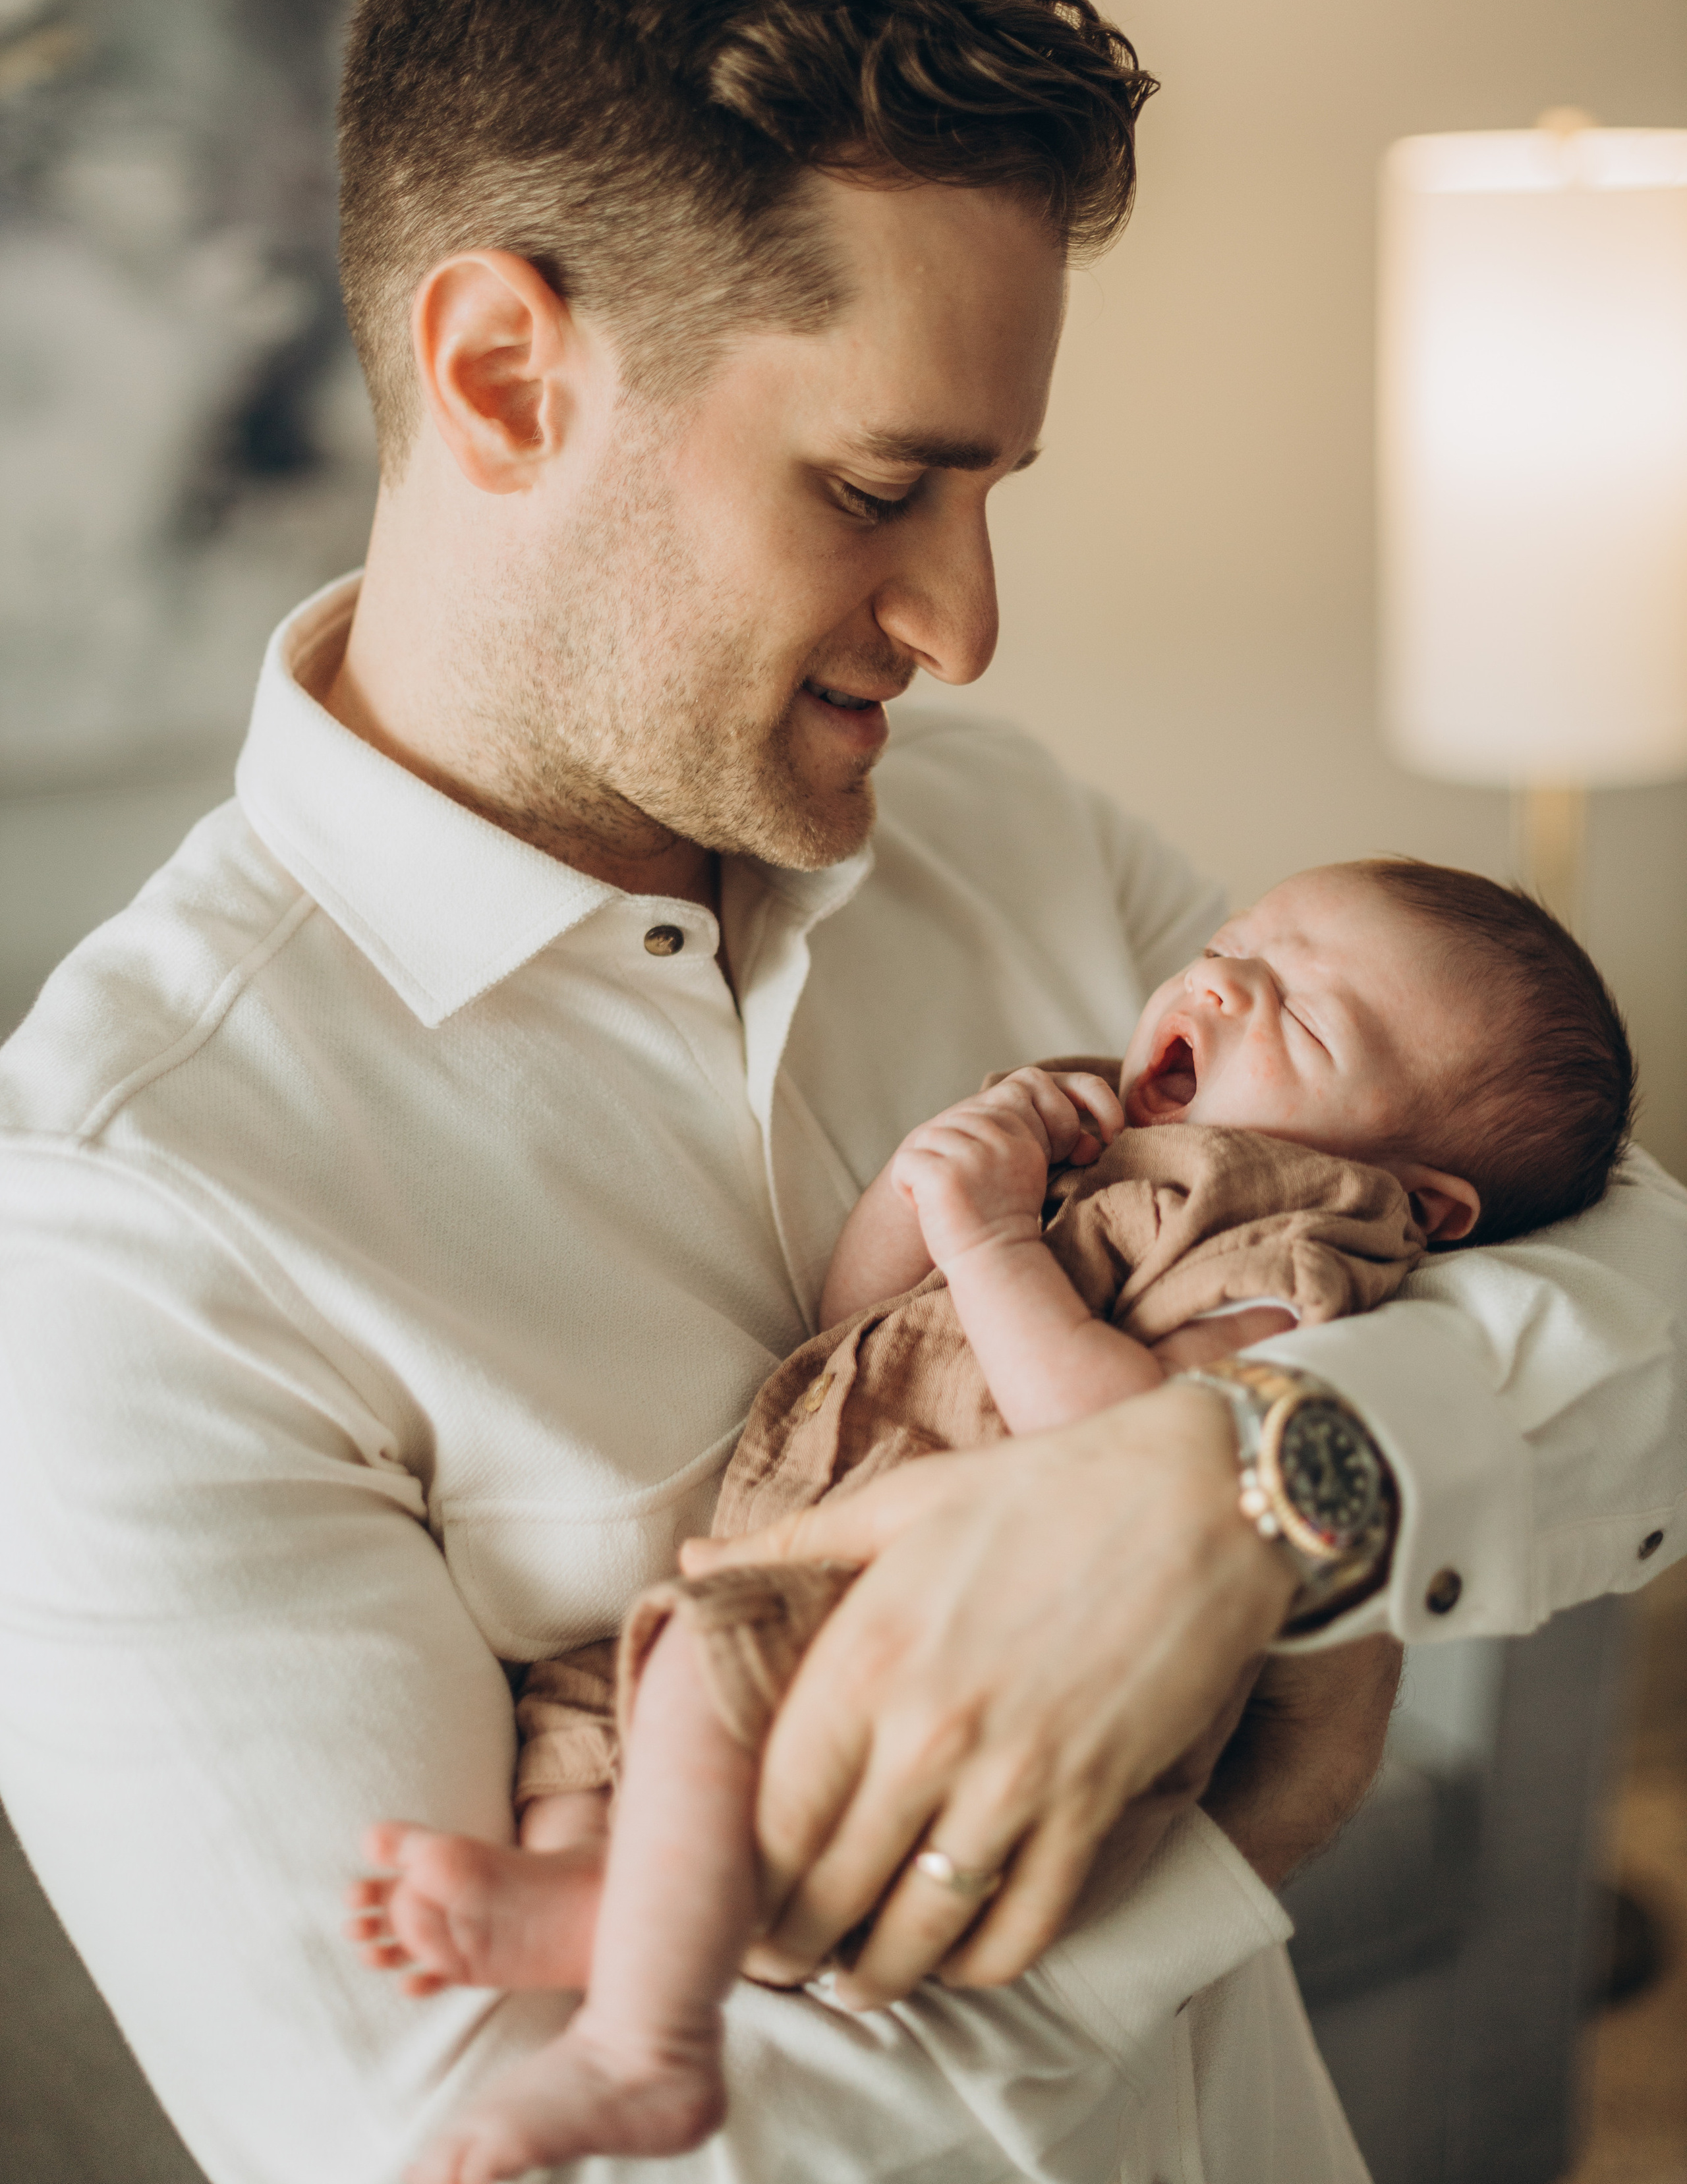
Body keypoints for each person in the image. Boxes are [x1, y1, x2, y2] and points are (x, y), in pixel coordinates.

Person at [1, 0, 1684, 2184]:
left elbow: (1652, 1293)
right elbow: (479, 2157)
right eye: (887, 484)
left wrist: (1258, 1502)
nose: (970, 625)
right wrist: (1217, 1851)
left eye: (989, 491)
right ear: (501, 375)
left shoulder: (1012, 844)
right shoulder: (122, 1224)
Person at [345, 858, 1634, 2182]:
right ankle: (599, 1900)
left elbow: (1128, 1453)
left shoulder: (1292, 1230)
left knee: (696, 1674)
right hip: (851, 1581)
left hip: (1006, 1662)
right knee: (579, 1713)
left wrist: (988, 1241)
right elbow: (851, 1326)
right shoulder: (1086, 1130)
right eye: (1233, 947)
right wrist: (932, 1182)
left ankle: (644, 2047)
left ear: (1424, 1200)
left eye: (1302, 1019)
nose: (1222, 984)